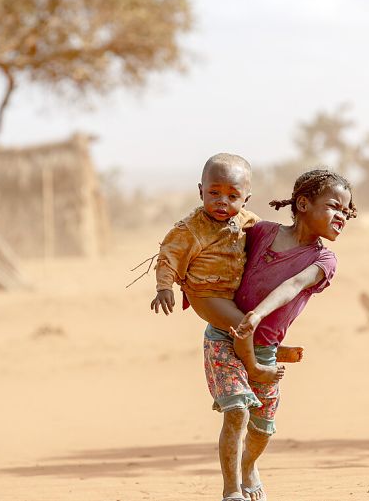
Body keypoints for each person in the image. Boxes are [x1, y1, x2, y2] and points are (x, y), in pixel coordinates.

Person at [204, 169, 356, 501]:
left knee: (262, 428)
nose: (342, 216)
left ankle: (249, 466)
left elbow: (292, 286)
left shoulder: (323, 259)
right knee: (237, 410)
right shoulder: (260, 231)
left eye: (346, 211)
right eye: (334, 206)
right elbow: (218, 241)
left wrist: (257, 315)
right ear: (302, 203)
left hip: (265, 349)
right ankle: (231, 490)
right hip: (224, 337)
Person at [150, 153, 299, 383]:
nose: (222, 201)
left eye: (232, 196)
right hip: (206, 293)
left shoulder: (246, 220)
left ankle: (266, 349)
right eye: (214, 193)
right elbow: (169, 255)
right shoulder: (191, 228)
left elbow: (269, 234)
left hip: (231, 291)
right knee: (242, 324)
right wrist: (164, 288)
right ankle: (254, 366)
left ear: (246, 199)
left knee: (254, 316)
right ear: (201, 191)